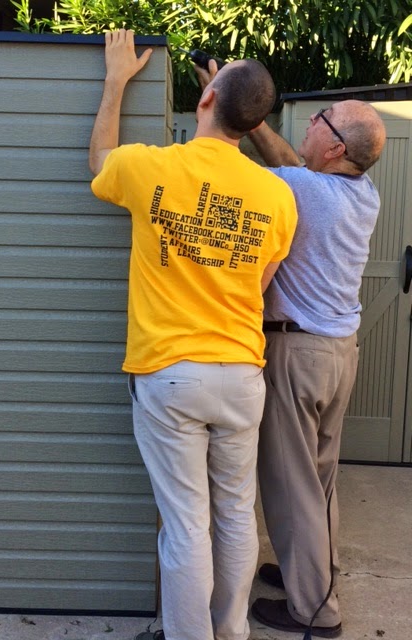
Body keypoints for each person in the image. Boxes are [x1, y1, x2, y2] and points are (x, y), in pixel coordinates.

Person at [89, 30, 297, 640]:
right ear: (254, 120)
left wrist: (115, 80)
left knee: (185, 524)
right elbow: (260, 283)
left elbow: (100, 162)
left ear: (206, 99)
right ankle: (230, 632)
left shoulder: (152, 167)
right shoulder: (278, 195)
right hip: (241, 375)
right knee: (235, 515)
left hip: (171, 374)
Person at [244, 102, 386, 638]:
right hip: (338, 354)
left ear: (335, 148)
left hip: (298, 354)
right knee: (320, 479)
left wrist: (237, 109)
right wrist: (258, 124)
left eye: (320, 118)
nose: (308, 121)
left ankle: (314, 612)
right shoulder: (362, 192)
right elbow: (292, 163)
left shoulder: (300, 190)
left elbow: (247, 169)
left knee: (291, 484)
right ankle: (313, 575)